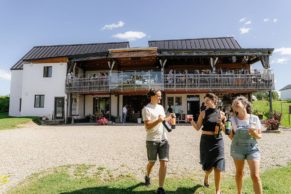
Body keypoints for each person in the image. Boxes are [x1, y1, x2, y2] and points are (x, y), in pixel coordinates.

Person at [188, 93, 226, 194]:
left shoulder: (221, 113)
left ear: (214, 100)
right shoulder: (203, 113)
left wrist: (221, 122)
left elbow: (226, 130)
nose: (205, 103)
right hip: (206, 141)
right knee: (208, 167)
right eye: (204, 101)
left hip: (218, 140)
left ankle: (218, 190)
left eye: (207, 100)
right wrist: (191, 121)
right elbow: (197, 128)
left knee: (218, 165)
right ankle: (206, 176)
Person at [228, 96, 263, 194]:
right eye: (234, 104)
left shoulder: (255, 118)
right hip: (238, 148)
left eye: (237, 103)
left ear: (245, 105)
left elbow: (260, 136)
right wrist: (223, 127)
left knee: (255, 175)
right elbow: (231, 137)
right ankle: (239, 192)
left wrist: (254, 133)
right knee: (239, 173)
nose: (235, 104)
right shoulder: (232, 120)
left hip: (252, 148)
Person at [142, 88, 174, 194]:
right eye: (159, 95)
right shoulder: (146, 109)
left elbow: (163, 121)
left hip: (163, 139)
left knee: (164, 162)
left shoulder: (161, 107)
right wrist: (158, 120)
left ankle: (160, 188)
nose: (161, 97)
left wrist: (169, 118)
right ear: (152, 96)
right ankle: (147, 175)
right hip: (152, 140)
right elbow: (147, 125)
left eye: (161, 95)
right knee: (151, 162)